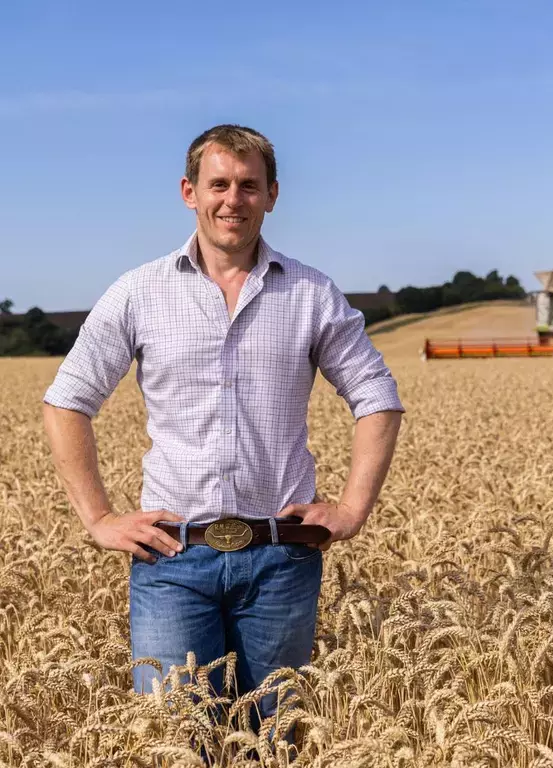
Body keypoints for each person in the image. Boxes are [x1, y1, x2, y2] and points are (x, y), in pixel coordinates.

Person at [41, 124, 405, 734]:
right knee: (177, 739)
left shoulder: (313, 294)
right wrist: (98, 519)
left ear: (272, 194)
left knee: (277, 741)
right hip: (174, 560)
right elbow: (66, 402)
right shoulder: (139, 293)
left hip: (282, 560)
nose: (232, 199)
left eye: (248, 185)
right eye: (218, 184)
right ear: (190, 191)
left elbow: (378, 398)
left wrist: (352, 507)